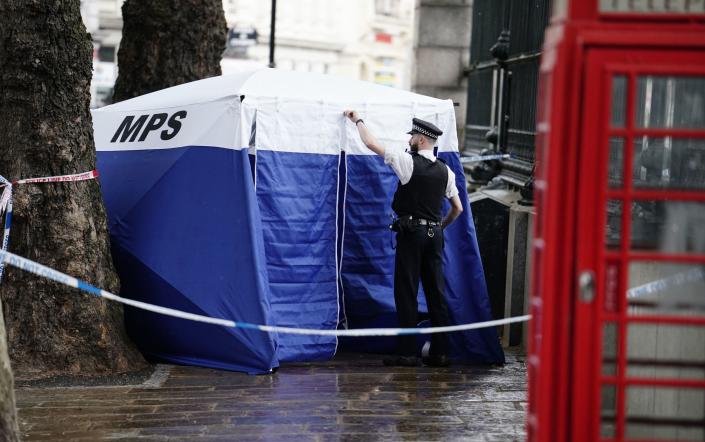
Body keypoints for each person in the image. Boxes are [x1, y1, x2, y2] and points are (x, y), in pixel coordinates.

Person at [344, 110, 464, 367]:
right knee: (436, 293)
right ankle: (441, 352)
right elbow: (458, 209)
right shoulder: (446, 172)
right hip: (435, 236)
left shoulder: (408, 163)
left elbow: (370, 143)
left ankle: (408, 352)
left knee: (407, 292)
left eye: (413, 136)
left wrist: (358, 120)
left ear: (421, 140)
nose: (409, 139)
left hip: (412, 235)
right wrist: (440, 226)